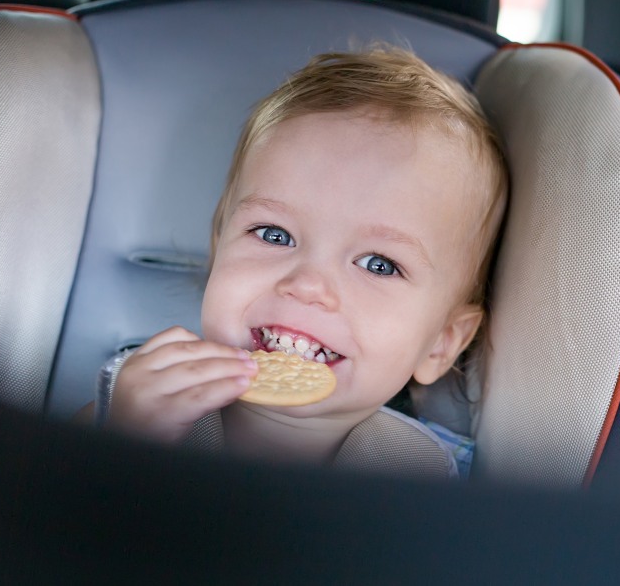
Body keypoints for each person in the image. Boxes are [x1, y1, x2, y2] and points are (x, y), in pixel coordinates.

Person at [88, 47, 508, 479]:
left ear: (442, 341)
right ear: (219, 248)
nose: (307, 284)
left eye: (379, 264)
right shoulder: (128, 407)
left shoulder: (444, 487)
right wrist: (119, 446)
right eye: (274, 235)